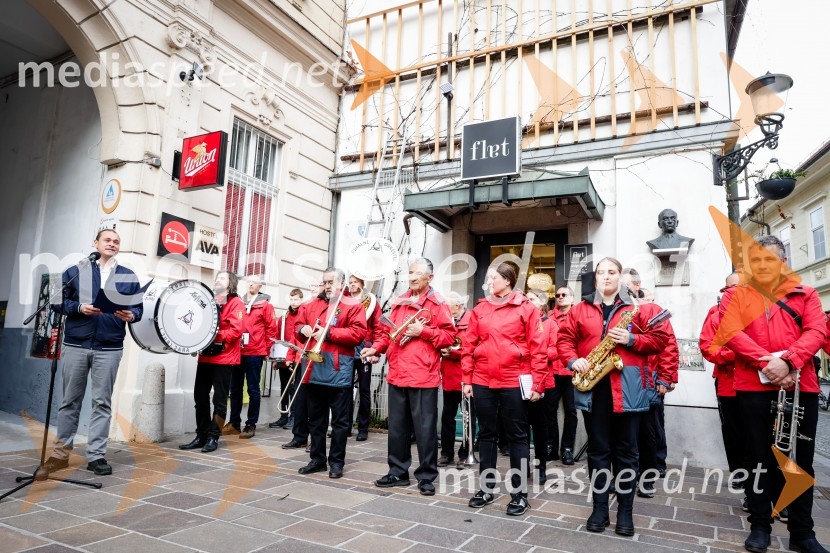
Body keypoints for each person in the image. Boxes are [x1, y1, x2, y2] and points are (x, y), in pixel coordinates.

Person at [713, 235, 827, 553]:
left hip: (800, 384)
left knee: (800, 462)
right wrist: (769, 363)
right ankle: (760, 527)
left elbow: (817, 331)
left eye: (770, 259)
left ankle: (802, 532)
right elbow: (731, 334)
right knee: (758, 458)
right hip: (752, 386)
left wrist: (789, 360)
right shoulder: (735, 296)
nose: (763, 265)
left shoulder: (806, 293)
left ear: (783, 262)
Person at [558, 257, 669, 536]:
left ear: (620, 276)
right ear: (595, 278)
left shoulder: (638, 308)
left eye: (612, 272)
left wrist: (630, 340)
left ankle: (625, 513)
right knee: (598, 451)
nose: (606, 277)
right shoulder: (580, 309)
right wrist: (573, 361)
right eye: (601, 272)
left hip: (629, 390)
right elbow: (564, 340)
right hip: (595, 390)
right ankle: (599, 508)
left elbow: (659, 341)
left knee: (628, 453)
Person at [43, 229, 143, 476]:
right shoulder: (75, 270)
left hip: (109, 348)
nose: (112, 244)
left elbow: (138, 308)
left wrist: (131, 315)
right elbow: (55, 300)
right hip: (76, 345)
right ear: (95, 243)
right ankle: (60, 455)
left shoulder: (128, 275)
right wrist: (78, 307)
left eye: (116, 241)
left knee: (102, 403)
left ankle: (96, 456)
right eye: (107, 240)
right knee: (69, 402)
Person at [361, 258, 456, 496]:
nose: (412, 277)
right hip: (398, 371)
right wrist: (376, 348)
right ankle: (397, 472)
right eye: (410, 272)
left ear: (430, 278)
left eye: (418, 274)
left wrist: (423, 331)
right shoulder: (400, 300)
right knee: (397, 428)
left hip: (423, 374)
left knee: (424, 430)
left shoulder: (438, 303)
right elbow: (387, 332)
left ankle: (426, 476)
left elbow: (448, 337)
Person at [461, 262, 547, 516]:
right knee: (486, 434)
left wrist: (538, 383)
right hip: (483, 380)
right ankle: (486, 489)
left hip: (513, 380)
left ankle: (519, 494)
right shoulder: (480, 309)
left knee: (517, 436)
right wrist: (467, 379)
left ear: (508, 281)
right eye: (488, 278)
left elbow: (538, 347)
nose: (488, 282)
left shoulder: (527, 309)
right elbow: (469, 345)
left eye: (493, 277)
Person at [294, 268, 367, 479]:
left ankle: (336, 462)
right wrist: (302, 330)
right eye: (325, 282)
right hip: (313, 369)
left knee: (340, 422)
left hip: (338, 370)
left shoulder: (352, 304)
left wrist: (328, 333)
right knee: (315, 419)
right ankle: (317, 460)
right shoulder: (312, 304)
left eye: (331, 282)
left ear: (342, 283)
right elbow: (297, 326)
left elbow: (358, 333)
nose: (327, 286)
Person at [180, 271, 244, 453]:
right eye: (217, 278)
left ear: (230, 284)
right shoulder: (209, 300)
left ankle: (213, 436)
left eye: (222, 278)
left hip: (224, 358)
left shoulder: (236, 303)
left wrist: (212, 335)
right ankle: (201, 434)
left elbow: (236, 331)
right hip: (205, 356)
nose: (217, 280)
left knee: (219, 400)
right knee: (200, 397)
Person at [699, 272, 745, 489]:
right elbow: (708, 347)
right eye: (731, 288)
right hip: (728, 382)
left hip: (759, 383)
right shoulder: (716, 313)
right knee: (733, 430)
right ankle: (739, 472)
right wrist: (735, 354)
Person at [225, 274, 276, 439]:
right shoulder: (239, 302)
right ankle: (234, 423)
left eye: (255, 282)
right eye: (249, 282)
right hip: (237, 352)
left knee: (254, 389)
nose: (251, 284)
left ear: (260, 286)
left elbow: (271, 329)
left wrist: (266, 350)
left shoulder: (266, 305)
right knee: (235, 389)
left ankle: (250, 424)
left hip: (255, 352)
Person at [438, 291, 474, 468]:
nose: (444, 309)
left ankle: (465, 454)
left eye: (448, 306)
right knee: (447, 418)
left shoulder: (471, 320)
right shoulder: (448, 320)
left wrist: (453, 352)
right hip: (449, 377)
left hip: (465, 377)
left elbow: (472, 349)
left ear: (458, 306)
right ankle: (446, 453)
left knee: (468, 419)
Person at [526, 289, 558, 483]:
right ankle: (522, 466)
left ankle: (541, 467)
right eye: (526, 299)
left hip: (544, 380)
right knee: (521, 427)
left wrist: (537, 354)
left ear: (541, 303)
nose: (528, 302)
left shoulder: (551, 324)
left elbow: (555, 350)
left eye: (532, 299)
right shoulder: (521, 321)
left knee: (540, 427)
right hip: (521, 380)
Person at [349, 275, 381, 441]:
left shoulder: (372, 302)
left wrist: (376, 351)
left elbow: (379, 326)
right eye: (351, 282)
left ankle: (363, 428)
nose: (352, 285)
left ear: (362, 284)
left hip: (365, 350)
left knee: (364, 390)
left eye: (355, 282)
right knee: (344, 390)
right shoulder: (345, 300)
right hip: (347, 349)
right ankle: (345, 426)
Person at [269, 288, 304, 429]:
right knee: (284, 385)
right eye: (292, 299)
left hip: (295, 356)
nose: (294, 302)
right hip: (283, 355)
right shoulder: (285, 316)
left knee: (293, 388)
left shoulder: (303, 314)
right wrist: (276, 357)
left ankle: (294, 416)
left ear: (301, 300)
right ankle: (283, 416)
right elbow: (278, 335)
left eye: (296, 299)